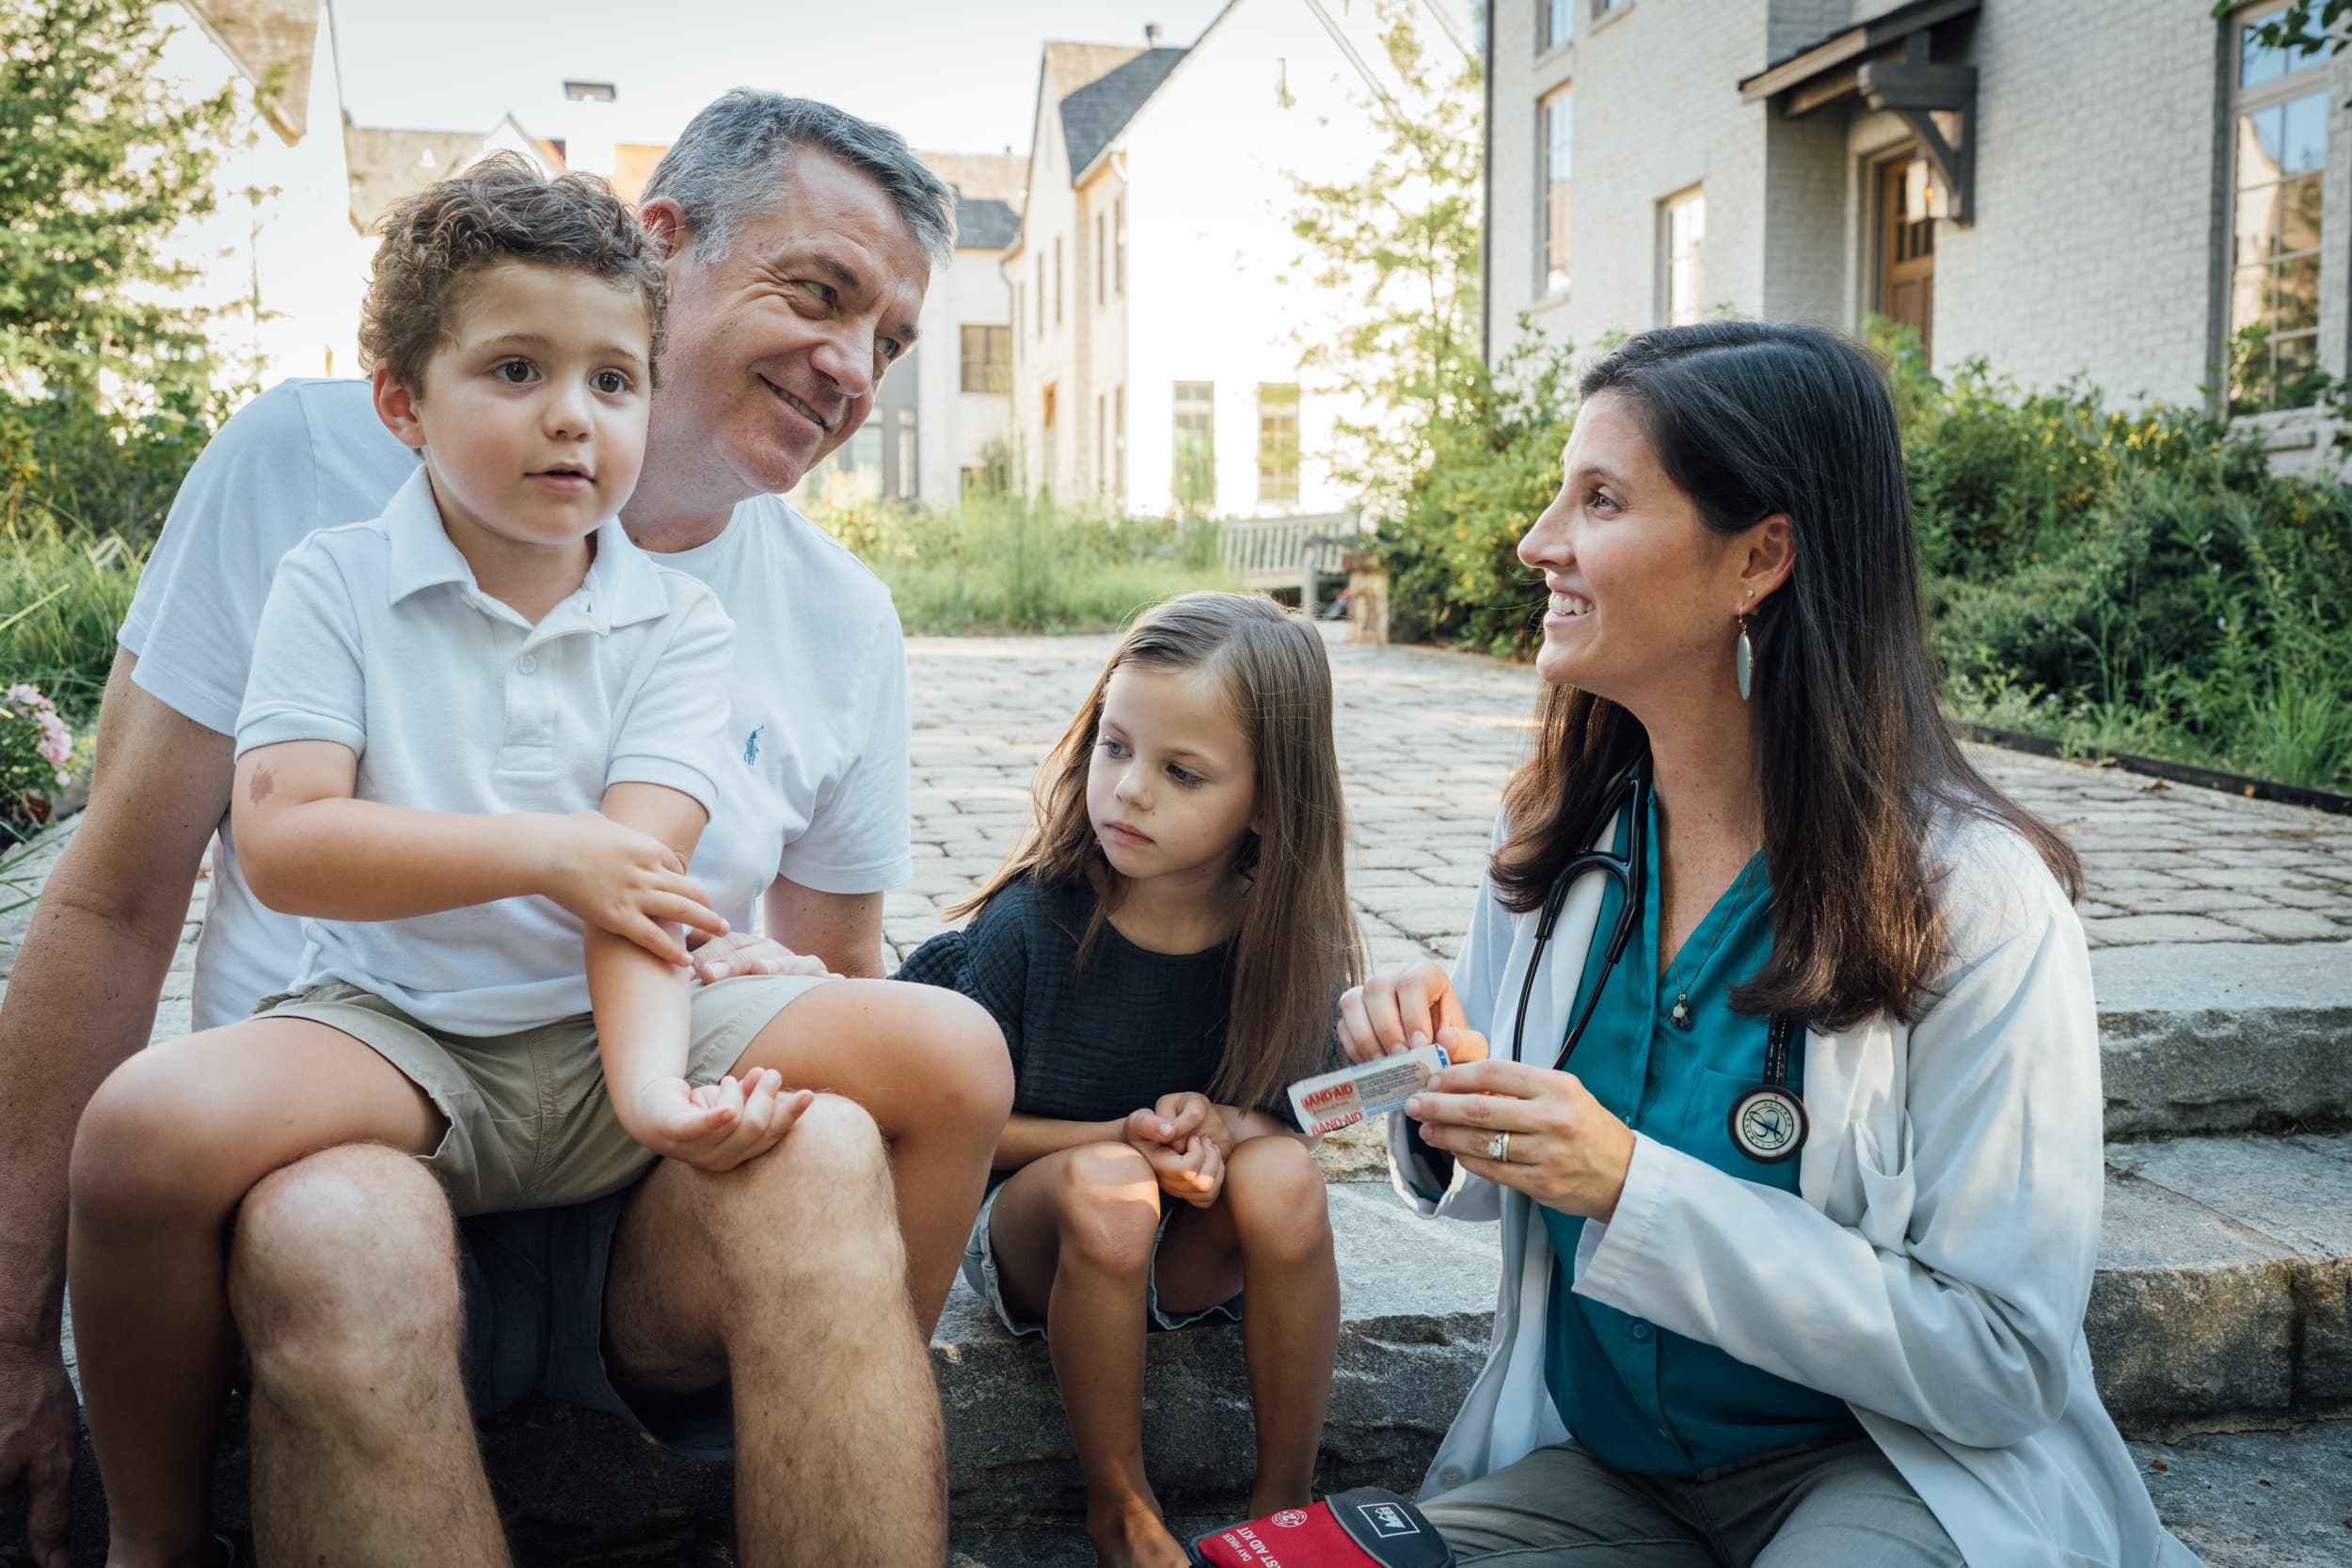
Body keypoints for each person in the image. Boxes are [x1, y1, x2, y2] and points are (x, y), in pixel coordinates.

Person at [0, 94, 1011, 1568]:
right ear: (661, 251)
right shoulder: (305, 476)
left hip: (636, 1174)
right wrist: (14, 1329)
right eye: (819, 292)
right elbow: (112, 901)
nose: (854, 367)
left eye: (892, 339)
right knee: (333, 1221)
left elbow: (834, 963)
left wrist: (741, 1020)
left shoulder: (828, 614)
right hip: (356, 1128)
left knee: (843, 1138)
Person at [1337, 323, 2197, 1567]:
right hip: (1610, 1469)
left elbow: (2003, 1357)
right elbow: (1515, 1177)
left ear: (1760, 557)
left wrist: (1630, 1181)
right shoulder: (1549, 841)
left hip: (1888, 1466)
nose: (1539, 542)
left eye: (1601, 498)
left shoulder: (1980, 900)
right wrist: (1443, 1084)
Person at [897, 593, 1362, 1568]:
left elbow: (1315, 1113)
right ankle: (1121, 1508)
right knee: (1111, 1192)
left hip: (1192, 1245)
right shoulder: (1032, 923)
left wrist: (1227, 1125)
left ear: (1269, 800)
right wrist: (1116, 1133)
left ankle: (1283, 1501)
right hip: (1043, 1235)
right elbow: (933, 1110)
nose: (1128, 790)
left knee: (1283, 1175)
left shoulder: (1283, 940)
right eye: (1115, 747)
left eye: (1180, 771)